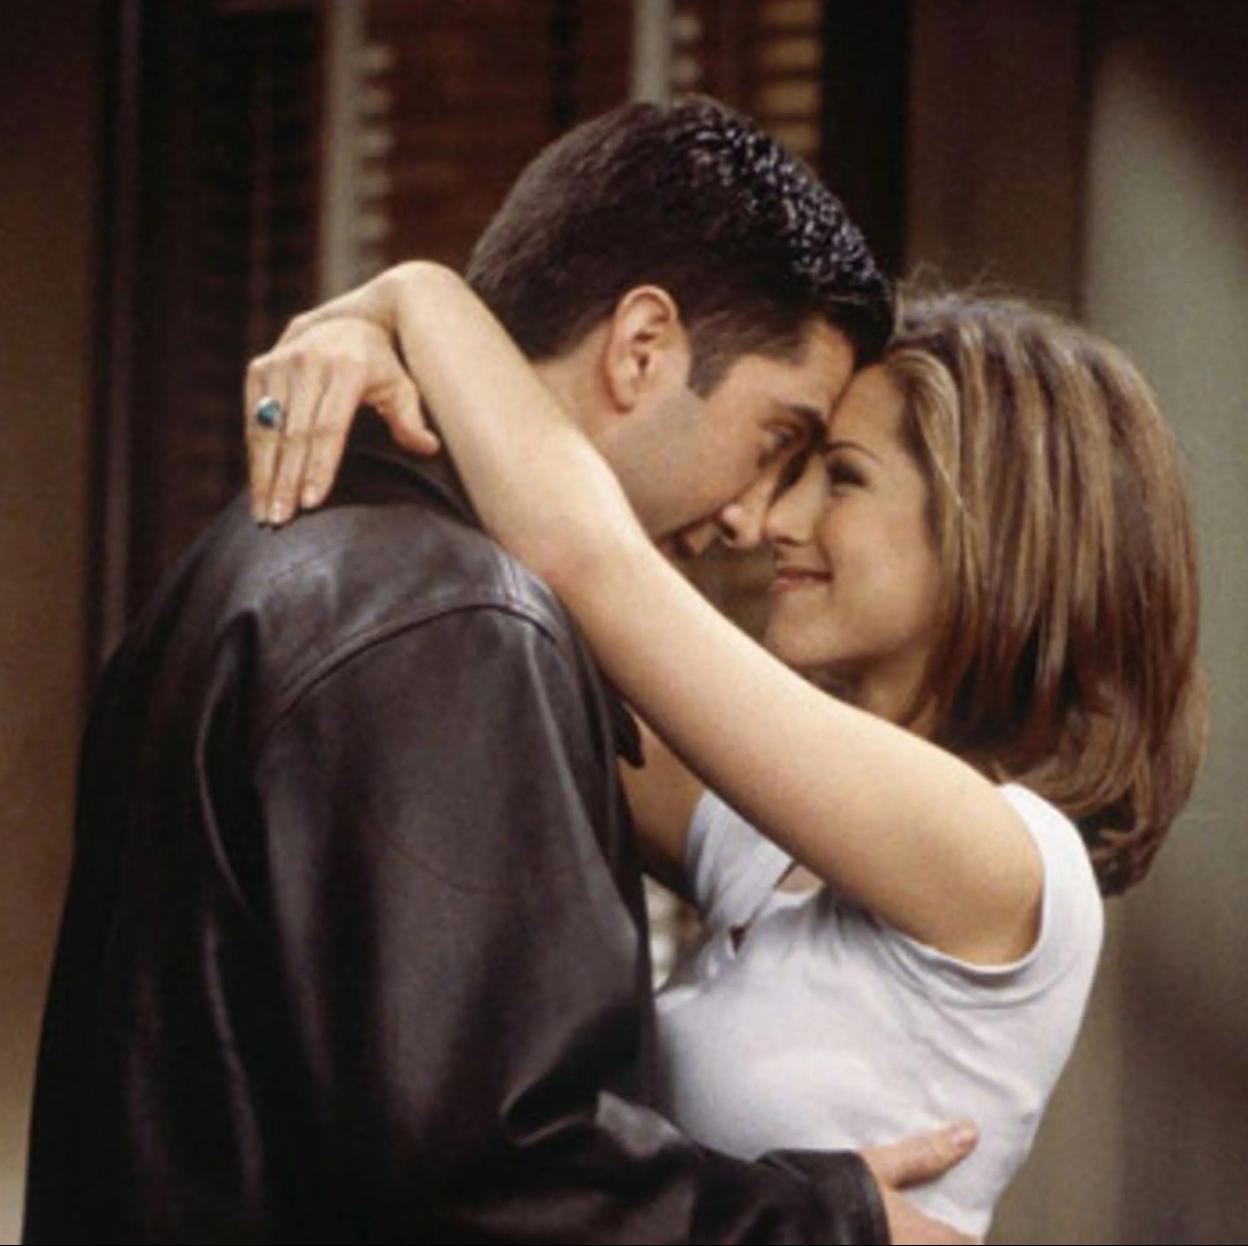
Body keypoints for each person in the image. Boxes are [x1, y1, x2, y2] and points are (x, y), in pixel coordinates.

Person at [23, 98, 978, 1245]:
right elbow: (496, 1177)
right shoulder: (460, 618)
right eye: (776, 439)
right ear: (641, 347)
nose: (750, 519)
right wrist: (830, 1222)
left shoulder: (257, 558)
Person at [243, 267, 1208, 1237]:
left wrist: (412, 296)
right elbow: (543, 623)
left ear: (987, 529)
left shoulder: (1004, 857)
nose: (775, 522)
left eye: (842, 476)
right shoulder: (777, 855)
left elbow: (586, 562)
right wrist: (360, 357)